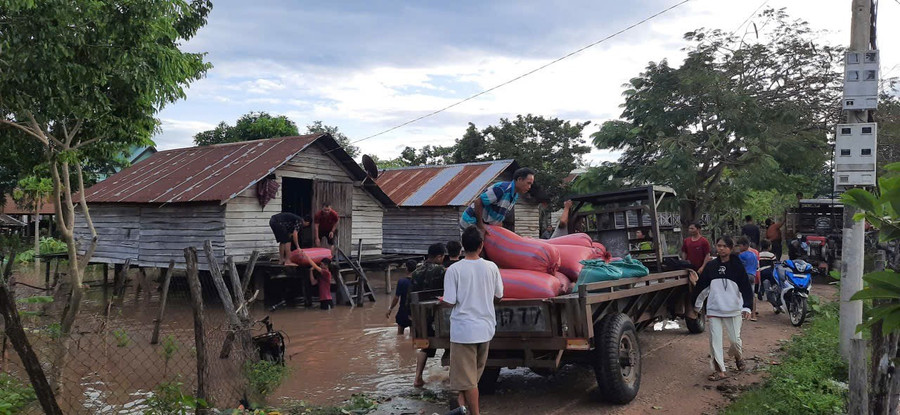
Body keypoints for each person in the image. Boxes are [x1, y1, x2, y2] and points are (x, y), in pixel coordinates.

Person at [442, 226, 504, 415]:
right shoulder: (491, 267)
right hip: (485, 329)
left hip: (463, 332)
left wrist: (441, 303)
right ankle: (460, 409)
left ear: (462, 246)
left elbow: (450, 301)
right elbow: (499, 295)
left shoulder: (454, 270)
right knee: (470, 378)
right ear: (481, 245)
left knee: (466, 380)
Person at [694, 236, 754, 382]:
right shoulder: (711, 266)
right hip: (714, 309)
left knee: (734, 340)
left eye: (724, 246)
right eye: (718, 246)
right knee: (715, 341)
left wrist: (747, 307)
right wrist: (697, 305)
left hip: (733, 309)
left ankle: (738, 356)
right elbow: (702, 287)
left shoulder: (737, 266)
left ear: (730, 248)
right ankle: (719, 370)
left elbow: (746, 287)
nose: (720, 248)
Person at [410, 243, 448, 388]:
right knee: (449, 343)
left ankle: (418, 377)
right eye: (442, 257)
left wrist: (411, 317)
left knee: (424, 347)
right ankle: (450, 377)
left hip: (420, 317)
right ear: (439, 256)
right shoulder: (441, 271)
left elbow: (410, 296)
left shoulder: (416, 271)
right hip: (438, 316)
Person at [460, 167, 535, 233]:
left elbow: (500, 216)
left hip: (485, 224)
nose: (529, 187)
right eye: (528, 183)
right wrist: (480, 225)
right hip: (471, 220)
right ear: (519, 179)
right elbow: (478, 202)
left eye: (531, 184)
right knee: (476, 247)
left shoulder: (515, 195)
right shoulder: (502, 189)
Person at [386, 259, 419, 334]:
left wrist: (390, 309)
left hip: (403, 311)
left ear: (406, 269)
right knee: (412, 335)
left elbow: (396, 298)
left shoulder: (402, 281)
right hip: (414, 311)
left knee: (399, 334)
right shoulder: (418, 281)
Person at [735, 237, 759, 321]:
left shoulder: (741, 255)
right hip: (753, 275)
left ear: (744, 245)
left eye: (740, 245)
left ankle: (742, 313)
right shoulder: (754, 254)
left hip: (745, 276)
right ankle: (753, 315)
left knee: (741, 293)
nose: (739, 247)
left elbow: (738, 266)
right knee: (752, 295)